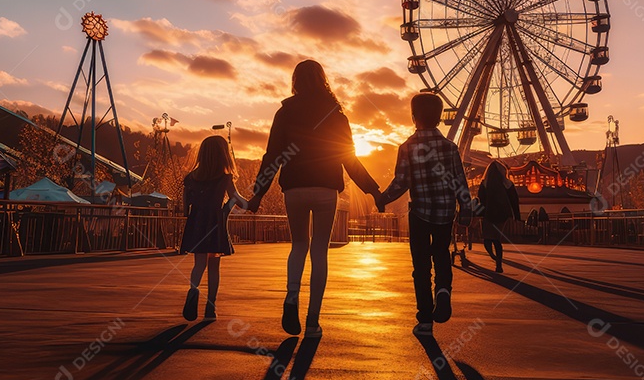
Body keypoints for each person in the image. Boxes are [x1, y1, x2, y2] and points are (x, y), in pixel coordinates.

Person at [248, 60, 380, 338]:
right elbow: (349, 159)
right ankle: (313, 321)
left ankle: (291, 297)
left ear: (295, 81)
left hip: (294, 187)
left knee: (298, 245)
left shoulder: (285, 112)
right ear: (323, 80)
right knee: (319, 251)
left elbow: (272, 155)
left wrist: (259, 193)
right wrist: (373, 190)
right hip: (325, 188)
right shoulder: (336, 115)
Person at [377, 93, 472, 336]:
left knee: (420, 266)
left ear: (413, 116)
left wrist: (382, 199)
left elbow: (402, 182)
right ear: (440, 117)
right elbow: (460, 182)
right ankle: (443, 292)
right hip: (445, 212)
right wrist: (465, 211)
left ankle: (425, 319)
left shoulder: (407, 147)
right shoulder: (450, 148)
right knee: (441, 255)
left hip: (419, 213)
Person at [180, 135, 251, 321]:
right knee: (214, 267)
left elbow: (185, 207)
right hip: (215, 224)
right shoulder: (225, 178)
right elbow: (238, 201)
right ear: (223, 155)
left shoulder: (190, 178)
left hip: (196, 223)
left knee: (198, 265)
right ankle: (210, 308)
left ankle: (193, 292)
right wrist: (248, 205)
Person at [476, 160, 521, 273]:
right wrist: (517, 216)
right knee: (497, 240)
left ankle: (493, 256)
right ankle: (498, 264)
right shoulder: (508, 184)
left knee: (487, 239)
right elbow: (514, 201)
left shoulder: (484, 184)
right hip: (502, 215)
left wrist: (479, 212)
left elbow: (480, 199)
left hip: (488, 214)